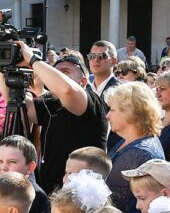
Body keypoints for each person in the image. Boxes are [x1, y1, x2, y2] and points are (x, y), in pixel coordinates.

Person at [26, 48, 109, 196]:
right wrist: (6, 72)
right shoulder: (51, 102)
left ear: (83, 81)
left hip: (80, 195)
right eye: (55, 72)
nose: (57, 77)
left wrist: (32, 60)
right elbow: (22, 106)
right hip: (49, 192)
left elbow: (67, 90)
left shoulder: (92, 101)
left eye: (64, 72)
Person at [105, 82, 165, 213]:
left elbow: (109, 201)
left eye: (112, 110)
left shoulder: (138, 152)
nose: (107, 115)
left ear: (129, 112)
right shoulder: (131, 141)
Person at [0, 135, 51, 213]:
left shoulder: (35, 196)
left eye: (12, 162)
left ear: (30, 167)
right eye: (0, 161)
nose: (3, 167)